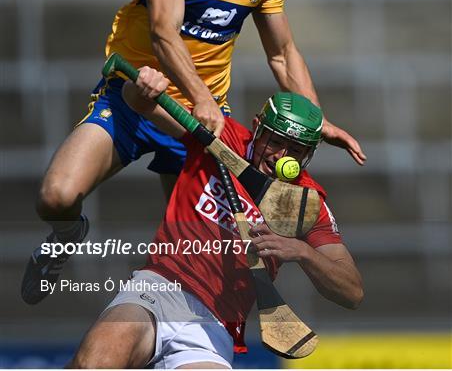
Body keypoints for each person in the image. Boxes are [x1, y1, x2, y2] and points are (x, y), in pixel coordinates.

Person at [21, 0, 366, 306]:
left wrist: (316, 120)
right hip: (137, 96)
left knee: (194, 247)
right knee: (56, 195)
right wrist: (201, 98)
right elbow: (164, 34)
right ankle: (68, 231)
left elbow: (281, 53)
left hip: (201, 119)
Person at [68, 67, 363, 369]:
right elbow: (139, 104)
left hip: (216, 327)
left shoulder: (307, 203)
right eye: (274, 142)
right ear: (257, 127)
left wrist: (302, 252)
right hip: (160, 289)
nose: (280, 157)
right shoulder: (221, 135)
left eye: (297, 151)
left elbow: (352, 291)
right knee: (97, 361)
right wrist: (141, 87)